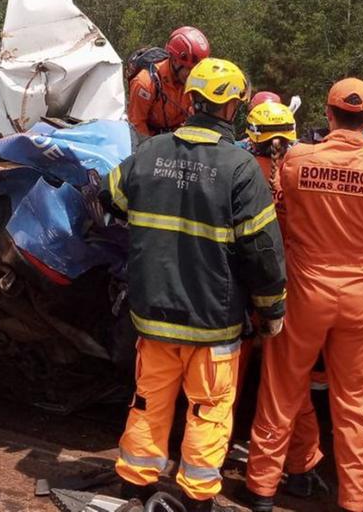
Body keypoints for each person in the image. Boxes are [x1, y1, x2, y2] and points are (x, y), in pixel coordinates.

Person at [104, 57, 287, 512]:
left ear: (190, 101)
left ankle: (135, 488)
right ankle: (197, 497)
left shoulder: (148, 153)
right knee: (208, 410)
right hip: (212, 320)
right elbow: (261, 252)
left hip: (153, 314)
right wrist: (272, 309)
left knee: (148, 402)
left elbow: (110, 197)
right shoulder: (241, 169)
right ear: (232, 110)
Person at [243, 78, 363, 512]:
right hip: (360, 294)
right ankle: (354, 501)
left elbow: (279, 210)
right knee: (357, 405)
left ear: (328, 113)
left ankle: (262, 490)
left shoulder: (298, 160)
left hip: (305, 291)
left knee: (281, 388)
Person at [240, 99, 328, 499]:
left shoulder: (240, 170)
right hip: (292, 288)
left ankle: (215, 448)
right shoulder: (306, 171)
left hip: (242, 286)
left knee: (230, 381)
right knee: (289, 385)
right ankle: (303, 463)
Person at [127, 27, 211, 137]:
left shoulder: (192, 82)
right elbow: (137, 125)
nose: (192, 75)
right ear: (175, 61)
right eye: (189, 69)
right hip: (151, 139)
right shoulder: (145, 83)